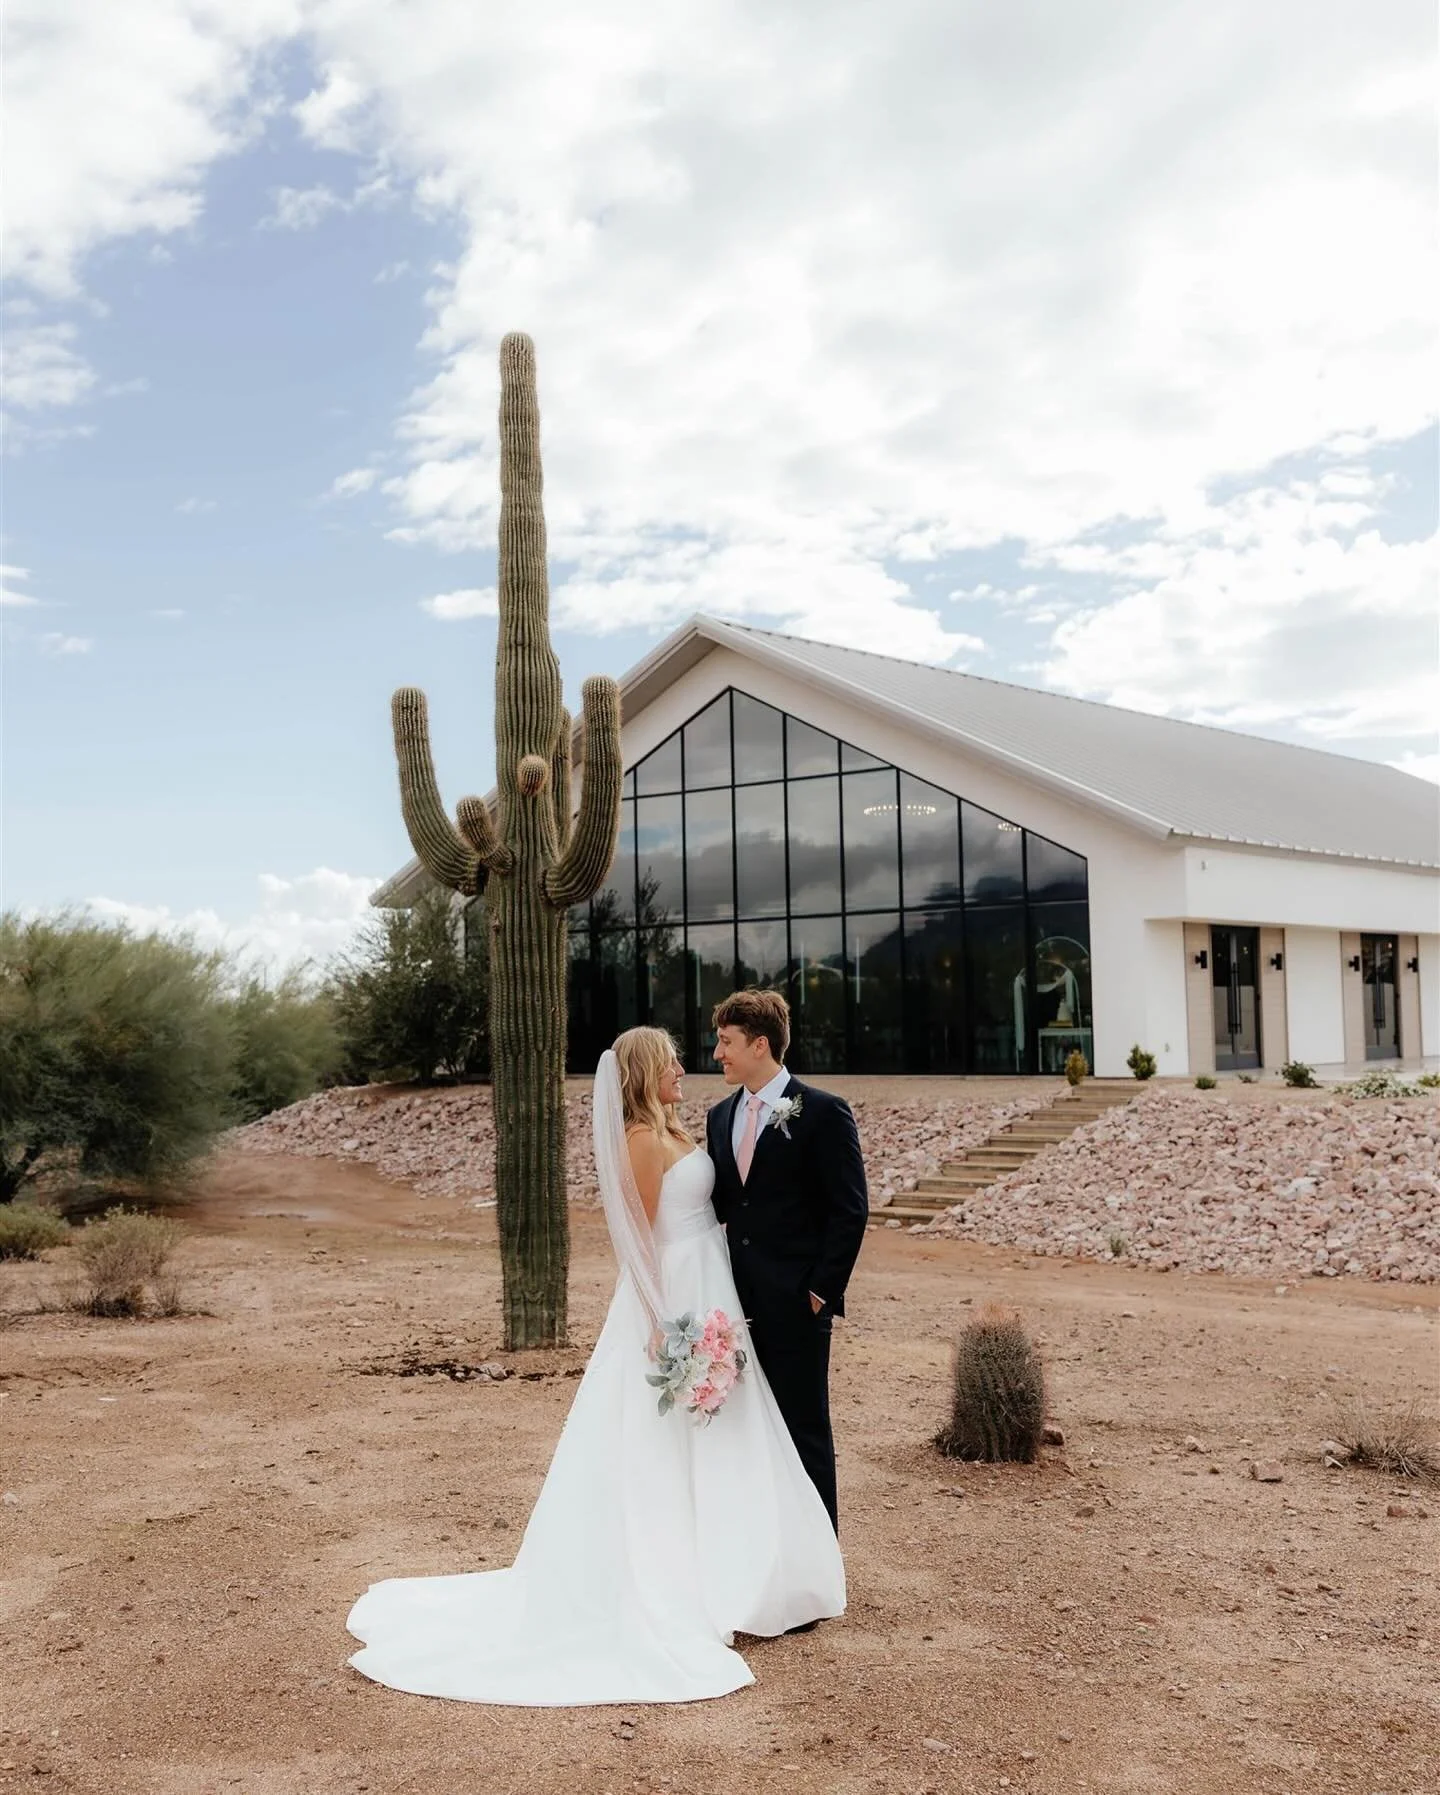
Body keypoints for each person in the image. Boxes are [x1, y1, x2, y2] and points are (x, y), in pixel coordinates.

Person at [345, 1026, 844, 1706]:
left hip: (712, 1289)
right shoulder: (641, 1141)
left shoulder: (677, 1126)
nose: (683, 1068)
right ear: (644, 1071)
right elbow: (637, 1241)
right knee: (666, 1445)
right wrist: (660, 1324)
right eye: (670, 1061)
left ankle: (745, 1572)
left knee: (726, 1437)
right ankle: (680, 1580)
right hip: (676, 1300)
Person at [707, 989, 870, 1535]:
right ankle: (761, 1562)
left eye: (726, 1042)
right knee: (747, 1435)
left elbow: (850, 1209)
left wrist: (819, 1292)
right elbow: (726, 1208)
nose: (717, 1054)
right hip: (734, 1308)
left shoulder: (824, 1112)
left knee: (804, 1434)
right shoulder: (717, 1117)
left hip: (798, 1305)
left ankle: (814, 1576)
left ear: (759, 1044)